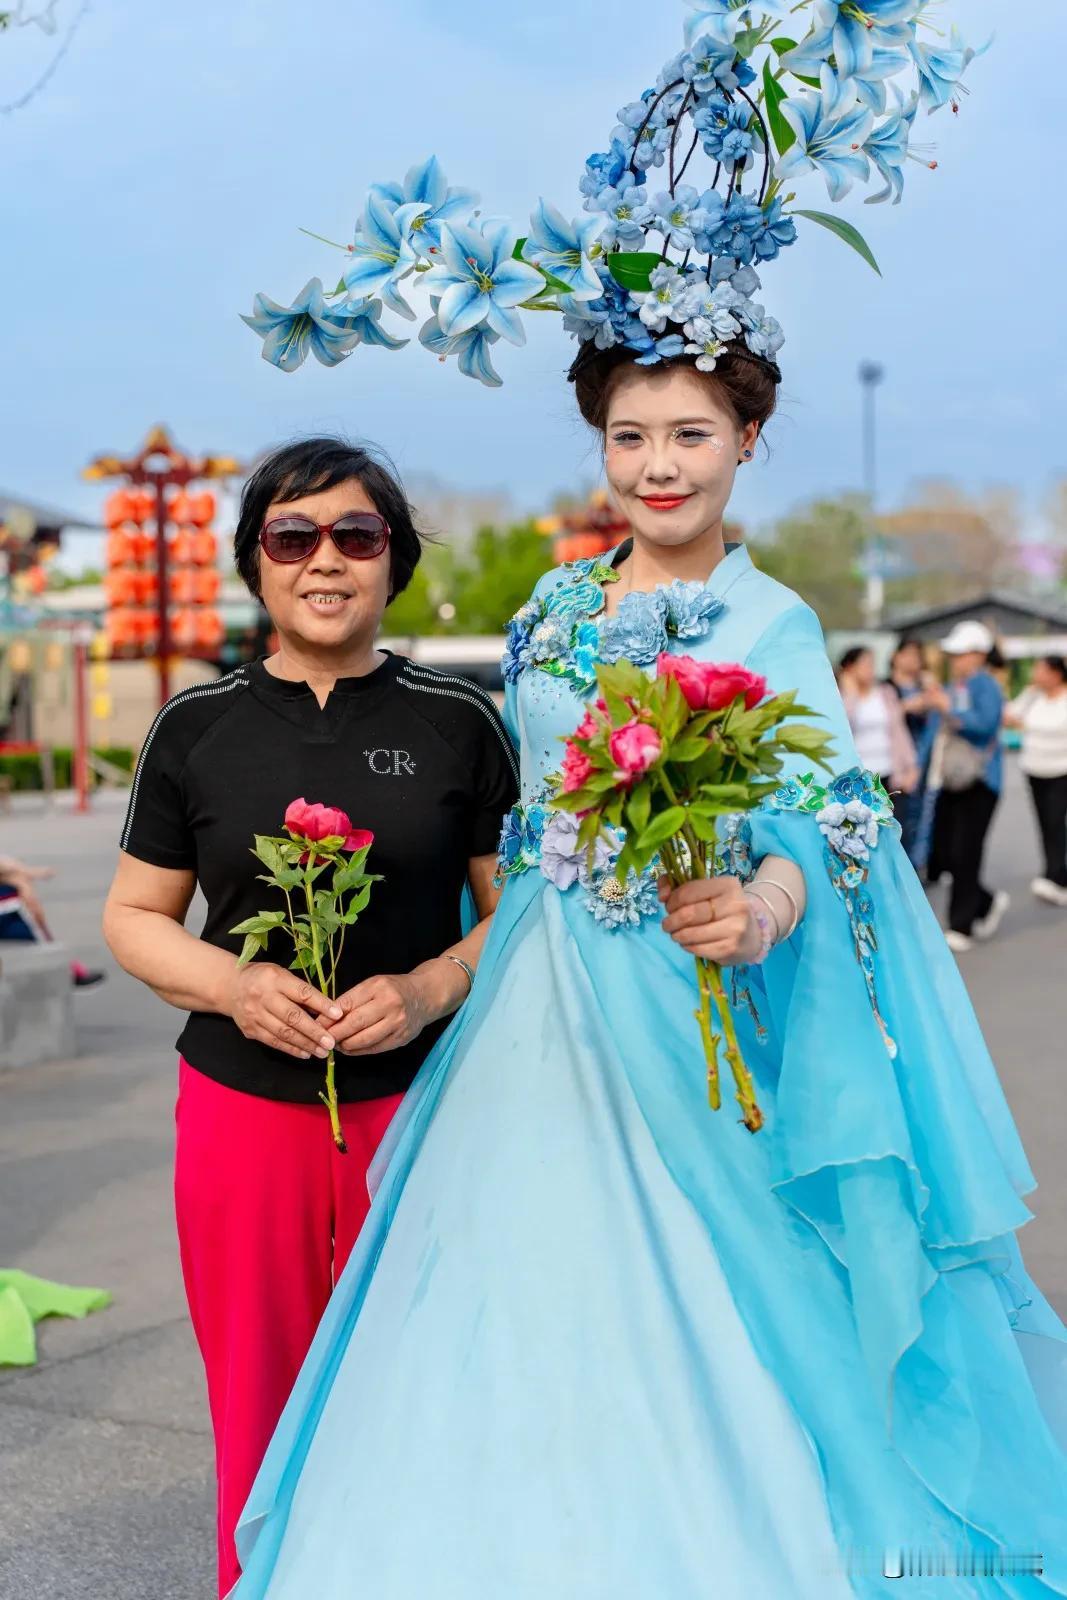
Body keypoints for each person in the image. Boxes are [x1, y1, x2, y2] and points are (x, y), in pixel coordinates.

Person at [231, 16, 1066, 1595]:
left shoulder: (769, 624)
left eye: (689, 435)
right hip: (537, 1015)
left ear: (747, 438)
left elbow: (825, 834)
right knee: (507, 1309)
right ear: (596, 444)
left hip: (694, 1006)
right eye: (628, 437)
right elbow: (518, 822)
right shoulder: (550, 609)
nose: (656, 466)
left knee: (722, 1319)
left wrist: (753, 910)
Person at [102, 437, 519, 1598]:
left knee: (428, 1379)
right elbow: (134, 916)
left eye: (355, 534)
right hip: (241, 1109)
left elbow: (521, 916)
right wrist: (234, 986)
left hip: (423, 1106)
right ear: (255, 563)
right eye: (292, 536)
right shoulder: (193, 727)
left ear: (394, 558)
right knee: (259, 1392)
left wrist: (429, 987)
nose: (323, 559)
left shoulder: (461, 721)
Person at [926, 622, 1009, 954]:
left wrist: (949, 708)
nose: (955, 659)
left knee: (966, 852)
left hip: (981, 780)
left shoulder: (986, 685)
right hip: (952, 779)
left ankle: (962, 924)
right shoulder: (954, 685)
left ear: (978, 654)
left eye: (960, 653)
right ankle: (985, 901)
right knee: (945, 851)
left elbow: (985, 725)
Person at [1004, 654, 1067, 907]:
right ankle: (1053, 872)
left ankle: (1057, 876)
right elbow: (1008, 715)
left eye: (1041, 670)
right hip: (1034, 770)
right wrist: (1029, 694)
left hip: (1061, 771)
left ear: (1056, 674)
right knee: (1044, 823)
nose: (1036, 675)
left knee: (1055, 822)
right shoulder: (1034, 696)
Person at [837, 645, 918, 830]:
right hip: (858, 777)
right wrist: (851, 694)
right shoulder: (841, 697)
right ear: (850, 668)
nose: (870, 669)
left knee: (893, 828)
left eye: (872, 664)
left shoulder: (886, 692)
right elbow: (843, 728)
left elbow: (899, 731)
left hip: (889, 772)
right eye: (864, 664)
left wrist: (911, 765)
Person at [0, 853, 105, 987]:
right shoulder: (16, 879)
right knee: (42, 946)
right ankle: (72, 972)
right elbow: (8, 868)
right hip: (12, 923)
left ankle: (70, 971)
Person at [887, 637, 942, 867]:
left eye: (917, 656)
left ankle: (915, 865)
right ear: (896, 656)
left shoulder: (925, 688)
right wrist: (906, 706)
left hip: (922, 760)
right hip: (892, 762)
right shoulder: (887, 688)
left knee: (920, 815)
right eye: (907, 654)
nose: (912, 660)